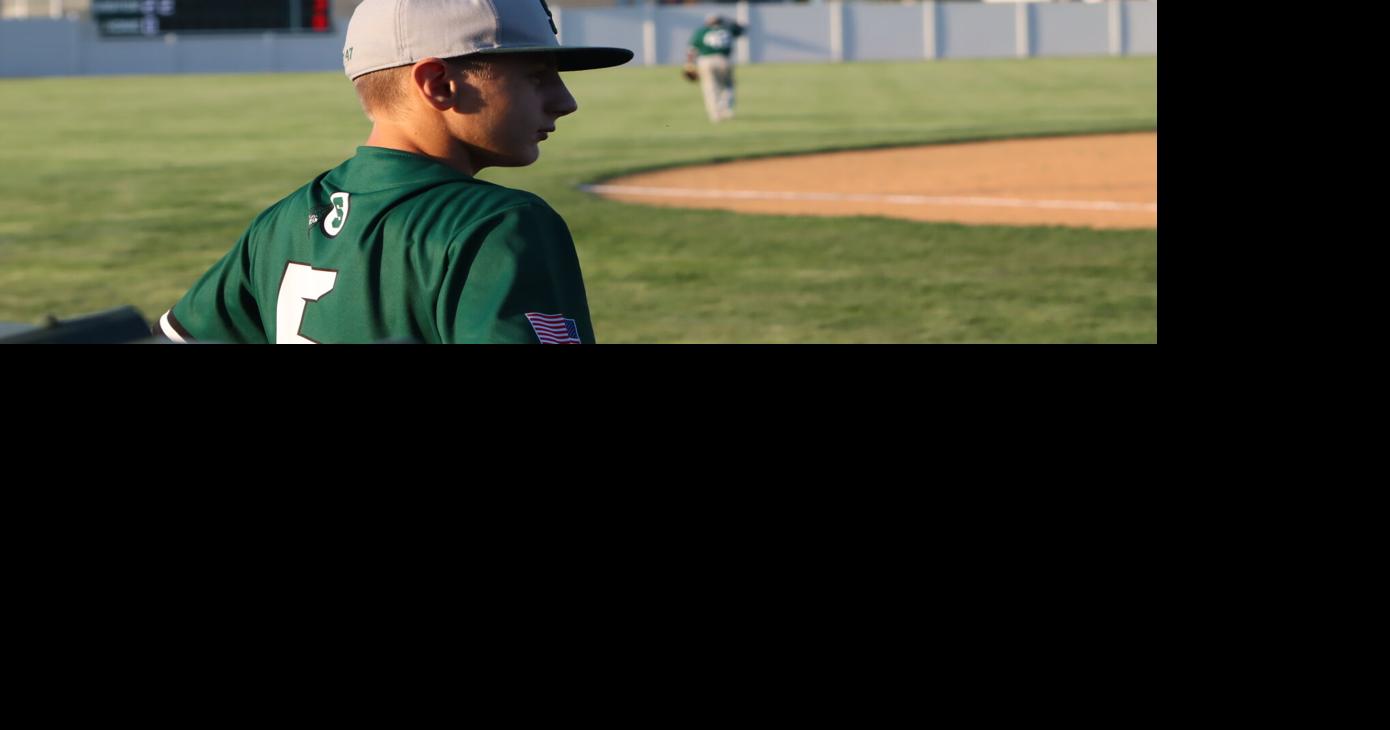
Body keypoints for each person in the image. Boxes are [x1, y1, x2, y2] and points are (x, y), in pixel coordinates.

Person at [152, 0, 632, 344]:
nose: (565, 101)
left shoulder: (281, 221)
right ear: (438, 84)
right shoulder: (497, 225)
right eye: (536, 76)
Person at [685, 13, 746, 123]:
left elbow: (691, 50)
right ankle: (727, 110)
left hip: (706, 61)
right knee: (728, 86)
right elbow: (742, 29)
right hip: (723, 60)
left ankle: (715, 114)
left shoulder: (701, 31)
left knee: (710, 88)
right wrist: (730, 20)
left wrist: (689, 65)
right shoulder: (727, 29)